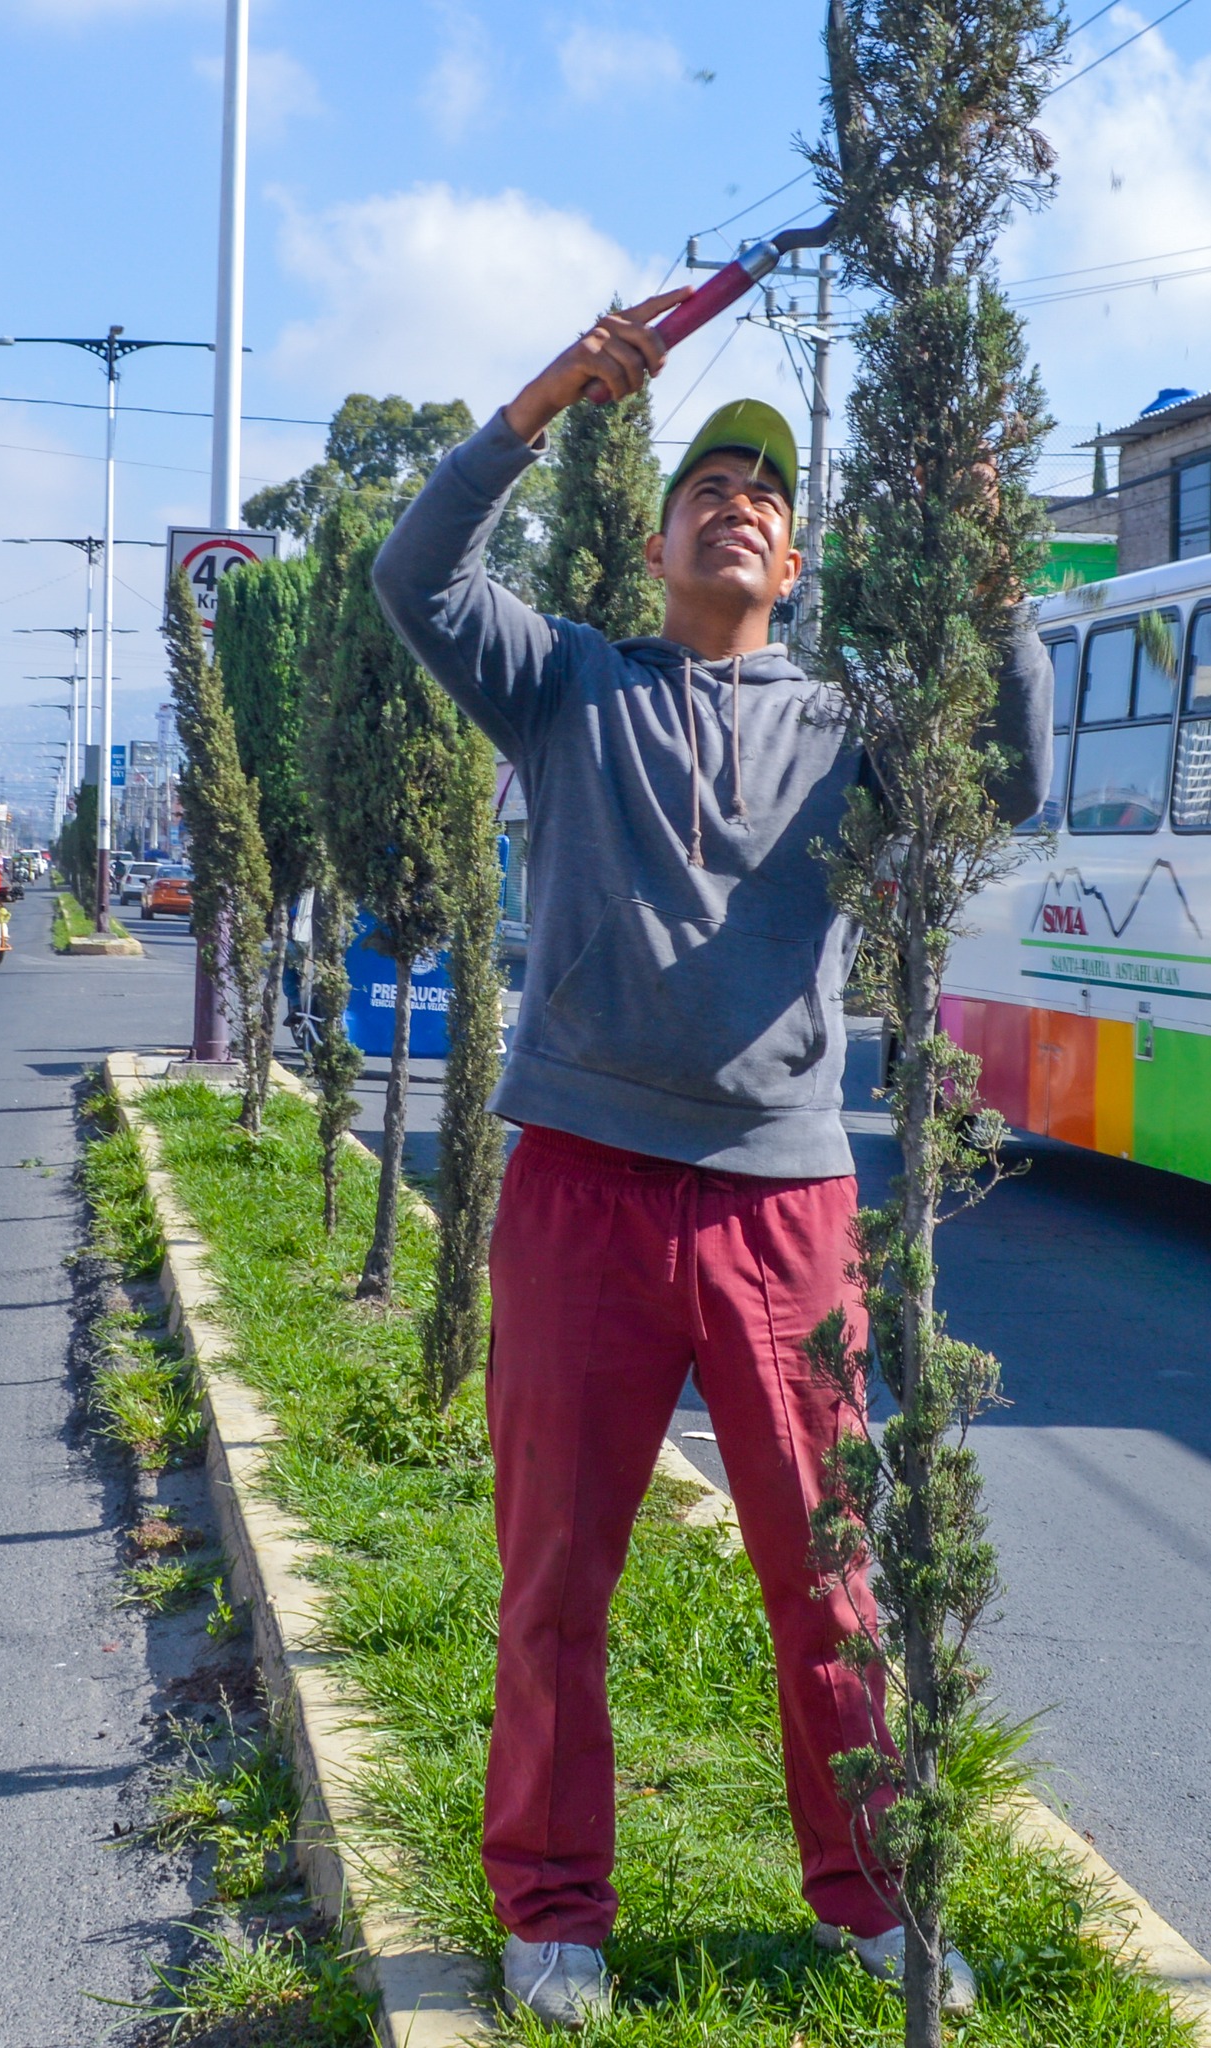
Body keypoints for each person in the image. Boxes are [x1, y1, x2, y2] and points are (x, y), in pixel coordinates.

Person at [372, 294, 1051, 2028]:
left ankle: (875, 1898)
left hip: (784, 1195)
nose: (738, 496)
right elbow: (417, 576)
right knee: (555, 1569)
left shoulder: (841, 724)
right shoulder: (567, 687)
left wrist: (988, 567)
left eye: (767, 488)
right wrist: (544, 398)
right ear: (660, 535)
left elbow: (1013, 766)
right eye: (707, 481)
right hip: (581, 1181)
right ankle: (551, 1907)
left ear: (795, 555)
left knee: (828, 1572)